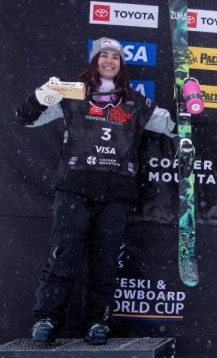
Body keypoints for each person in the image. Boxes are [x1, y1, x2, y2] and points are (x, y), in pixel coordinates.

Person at [15, 38, 176, 345]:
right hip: (74, 188)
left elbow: (172, 126)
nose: (109, 60)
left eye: (115, 56)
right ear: (94, 61)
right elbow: (26, 119)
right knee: (62, 255)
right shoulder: (72, 95)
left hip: (116, 192)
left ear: (121, 65)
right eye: (103, 55)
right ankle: (47, 317)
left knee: (105, 263)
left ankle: (97, 321)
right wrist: (41, 94)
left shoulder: (135, 101)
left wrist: (191, 103)